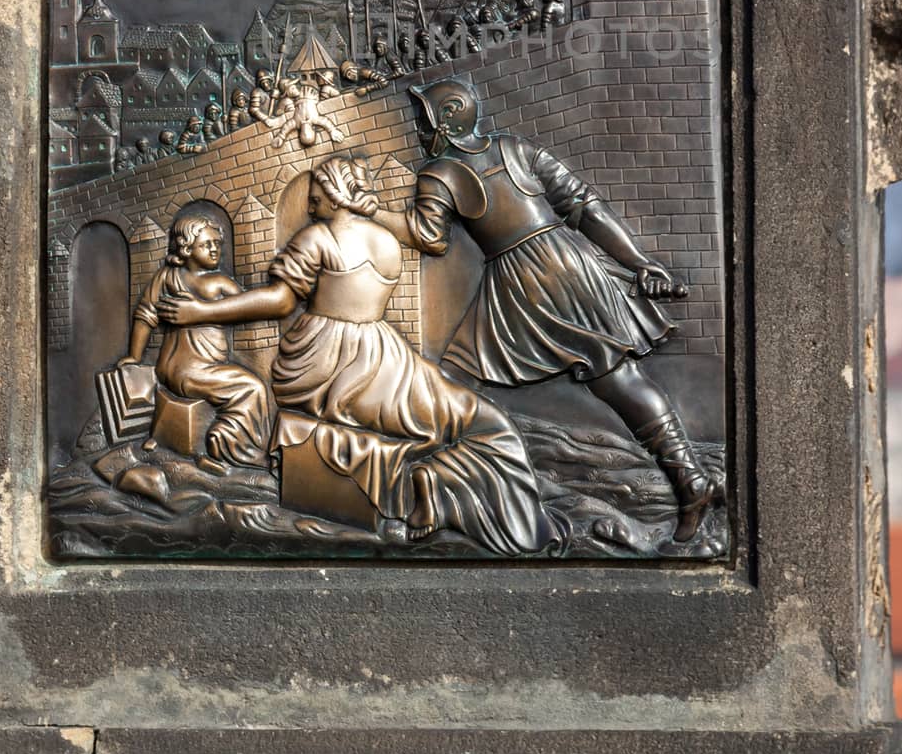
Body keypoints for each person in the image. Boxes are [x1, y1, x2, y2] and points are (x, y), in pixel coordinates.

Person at [156, 153, 557, 556]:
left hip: (321, 365)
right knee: (482, 421)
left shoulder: (317, 238)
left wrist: (200, 311)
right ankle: (435, 480)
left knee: (454, 419)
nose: (310, 207)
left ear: (334, 195)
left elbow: (279, 302)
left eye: (315, 198)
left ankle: (427, 481)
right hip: (386, 358)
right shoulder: (387, 240)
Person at [379, 78, 719, 544]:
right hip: (572, 262)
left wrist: (368, 211)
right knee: (620, 380)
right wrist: (637, 262)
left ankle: (455, 496)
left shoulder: (441, 173)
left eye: (425, 118)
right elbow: (586, 207)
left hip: (527, 280)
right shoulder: (516, 148)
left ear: (448, 118)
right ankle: (689, 479)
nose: (419, 129)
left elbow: (429, 236)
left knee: (456, 379)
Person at [119, 215, 270, 473]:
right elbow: (249, 306)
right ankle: (225, 447)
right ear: (186, 249)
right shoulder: (217, 283)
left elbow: (146, 314)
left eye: (217, 243)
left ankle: (168, 438)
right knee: (252, 388)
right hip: (196, 371)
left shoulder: (166, 277)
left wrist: (135, 356)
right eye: (206, 244)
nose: (214, 249)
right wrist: (132, 357)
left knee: (242, 385)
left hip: (169, 371)